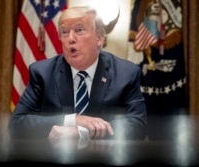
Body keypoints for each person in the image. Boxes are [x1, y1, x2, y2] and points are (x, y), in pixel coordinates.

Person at [8, 6, 147, 143]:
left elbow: (137, 125)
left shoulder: (126, 73)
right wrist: (73, 120)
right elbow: (17, 124)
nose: (71, 39)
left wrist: (81, 132)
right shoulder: (43, 73)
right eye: (64, 32)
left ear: (99, 38)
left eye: (79, 30)